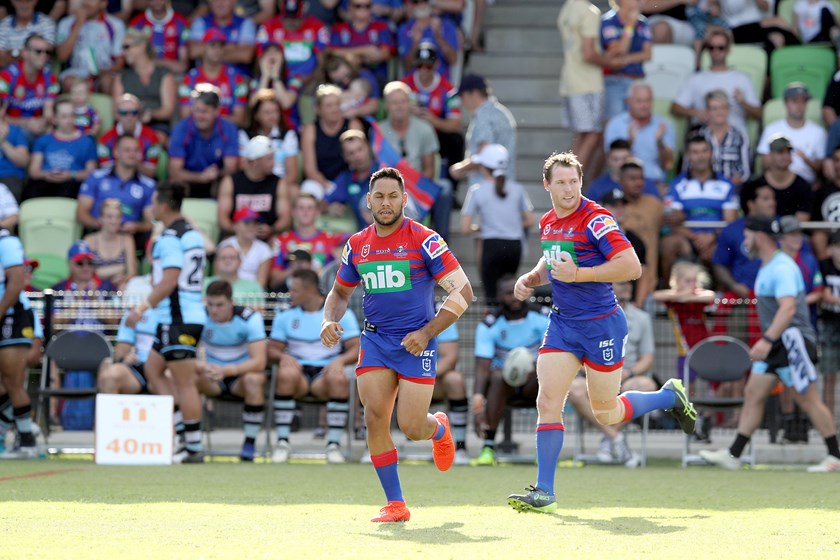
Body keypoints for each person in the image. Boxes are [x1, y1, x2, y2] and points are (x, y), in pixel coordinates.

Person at [506, 151, 696, 514]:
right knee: (548, 401)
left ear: (581, 182)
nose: (568, 189)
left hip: (602, 326)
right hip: (563, 325)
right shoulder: (548, 222)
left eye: (573, 182)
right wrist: (532, 277)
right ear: (547, 185)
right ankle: (544, 491)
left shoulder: (596, 218)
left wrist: (581, 275)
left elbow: (631, 266)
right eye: (560, 183)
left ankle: (669, 397)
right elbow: (553, 260)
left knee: (606, 412)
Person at [321, 167, 473, 522]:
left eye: (393, 196)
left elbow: (463, 292)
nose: (386, 203)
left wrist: (427, 333)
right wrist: (329, 319)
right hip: (374, 339)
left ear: (405, 200)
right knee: (374, 418)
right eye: (379, 196)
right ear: (368, 201)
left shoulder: (425, 240)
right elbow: (340, 291)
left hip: (415, 343)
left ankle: (437, 428)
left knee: (411, 426)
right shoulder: (356, 244)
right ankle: (396, 504)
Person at [700, 215, 840, 472]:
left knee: (808, 400)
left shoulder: (782, 268)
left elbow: (787, 309)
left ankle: (834, 456)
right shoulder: (769, 266)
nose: (744, 241)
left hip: (791, 342)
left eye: (747, 235)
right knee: (753, 394)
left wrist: (766, 340)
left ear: (759, 236)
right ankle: (733, 456)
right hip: (778, 345)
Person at [125, 183, 208, 463]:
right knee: (153, 367)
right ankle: (183, 432)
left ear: (163, 205)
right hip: (182, 316)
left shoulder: (169, 238)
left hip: (178, 318)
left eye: (153, 202)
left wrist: (141, 308)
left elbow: (169, 281)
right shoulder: (192, 234)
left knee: (185, 383)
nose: (150, 207)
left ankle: (193, 447)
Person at [269, 268, 360, 464]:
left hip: (325, 374)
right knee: (285, 373)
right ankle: (282, 442)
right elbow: (272, 349)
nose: (290, 294)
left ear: (310, 290)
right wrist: (282, 357)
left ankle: (333, 445)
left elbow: (356, 347)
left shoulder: (340, 313)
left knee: (339, 377)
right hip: (298, 375)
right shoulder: (285, 315)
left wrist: (341, 360)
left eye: (294, 290)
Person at [568, 279, 657, 465]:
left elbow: (647, 358)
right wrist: (596, 373)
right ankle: (615, 438)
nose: (628, 287)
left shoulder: (641, 318)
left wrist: (629, 372)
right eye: (622, 283)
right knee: (574, 388)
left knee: (646, 386)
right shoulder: (588, 315)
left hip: (626, 377)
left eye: (630, 284)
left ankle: (609, 438)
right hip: (595, 375)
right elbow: (576, 355)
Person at [471, 276, 548, 466]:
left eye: (517, 291)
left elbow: (553, 356)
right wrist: (477, 401)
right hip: (504, 386)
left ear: (527, 292)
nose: (514, 297)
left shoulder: (543, 317)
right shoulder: (489, 325)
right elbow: (482, 367)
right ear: (499, 296)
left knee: (546, 376)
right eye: (508, 293)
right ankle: (488, 447)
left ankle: (545, 451)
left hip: (534, 383)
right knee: (496, 376)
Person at [195, 279, 267, 462]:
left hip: (239, 376)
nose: (214, 310)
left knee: (255, 380)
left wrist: (228, 370)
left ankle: (249, 444)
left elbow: (259, 361)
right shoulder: (198, 316)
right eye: (210, 304)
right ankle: (191, 444)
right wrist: (202, 366)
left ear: (231, 303)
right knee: (186, 377)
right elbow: (188, 354)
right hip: (211, 377)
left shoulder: (250, 318)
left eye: (220, 305)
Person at [459, 143, 535, 307]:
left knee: (492, 297)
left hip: (491, 246)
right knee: (509, 292)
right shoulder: (517, 189)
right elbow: (530, 221)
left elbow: (465, 228)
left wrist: (481, 228)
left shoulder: (477, 190)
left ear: (483, 167)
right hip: (515, 246)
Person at [660, 134, 739, 284]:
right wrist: (696, 238)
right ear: (688, 156)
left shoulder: (726, 185)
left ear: (711, 153)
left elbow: (730, 222)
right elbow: (671, 222)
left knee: (724, 248)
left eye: (704, 151)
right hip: (687, 239)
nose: (700, 156)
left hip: (716, 239)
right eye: (695, 152)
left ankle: (722, 302)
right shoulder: (677, 184)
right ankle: (669, 296)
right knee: (668, 244)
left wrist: (711, 238)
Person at [670, 27, 761, 133]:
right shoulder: (695, 79)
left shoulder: (742, 79)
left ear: (728, 49)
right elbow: (675, 108)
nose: (715, 51)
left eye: (720, 48)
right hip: (703, 139)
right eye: (711, 48)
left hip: (735, 137)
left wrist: (743, 103)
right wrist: (696, 113)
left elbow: (758, 113)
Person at [0, 226, 38, 457]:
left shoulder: (7, 242)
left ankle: (27, 441)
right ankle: (9, 432)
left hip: (12, 315)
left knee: (13, 381)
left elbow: (15, 284)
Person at [168, 85, 240, 200]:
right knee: (176, 183)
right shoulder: (181, 129)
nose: (199, 116)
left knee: (228, 181)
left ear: (217, 110)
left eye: (205, 111)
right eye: (196, 110)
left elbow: (231, 168)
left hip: (216, 180)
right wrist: (201, 177)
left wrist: (216, 174)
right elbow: (175, 172)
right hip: (189, 180)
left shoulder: (229, 129)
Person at [557, 0, 604, 176]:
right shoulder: (589, 11)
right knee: (592, 134)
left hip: (570, 80)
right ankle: (569, 181)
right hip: (587, 82)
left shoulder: (568, 8)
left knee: (582, 134)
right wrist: (612, 61)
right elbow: (589, 53)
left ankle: (564, 178)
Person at [603, 81, 675, 190]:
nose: (644, 105)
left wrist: (660, 143)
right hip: (621, 183)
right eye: (639, 101)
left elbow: (668, 164)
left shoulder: (664, 125)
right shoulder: (615, 124)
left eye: (648, 100)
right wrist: (629, 142)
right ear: (628, 101)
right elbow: (612, 162)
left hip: (654, 182)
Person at [449, 74, 517, 190]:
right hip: (503, 187)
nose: (461, 101)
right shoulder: (501, 112)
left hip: (486, 189)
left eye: (463, 95)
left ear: (474, 93)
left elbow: (484, 156)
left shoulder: (483, 116)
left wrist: (459, 168)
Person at [78, 134, 156, 234]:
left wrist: (137, 227)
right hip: (98, 232)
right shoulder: (96, 177)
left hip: (130, 235)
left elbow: (151, 222)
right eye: (127, 150)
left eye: (136, 150)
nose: (132, 154)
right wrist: (104, 225)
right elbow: (81, 214)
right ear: (116, 152)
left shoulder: (148, 185)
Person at [300, 84, 364, 199]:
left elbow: (361, 159)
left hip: (349, 180)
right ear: (318, 109)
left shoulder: (353, 125)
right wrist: (330, 188)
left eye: (337, 104)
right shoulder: (310, 130)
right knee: (308, 192)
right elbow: (310, 168)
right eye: (329, 106)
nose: (334, 109)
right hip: (319, 181)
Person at [220, 134, 289, 241]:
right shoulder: (230, 182)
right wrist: (241, 231)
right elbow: (222, 218)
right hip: (237, 237)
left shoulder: (279, 183)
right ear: (254, 162)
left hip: (267, 238)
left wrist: (272, 229)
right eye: (269, 159)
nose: (273, 163)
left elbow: (285, 218)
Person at [26, 99, 98, 200]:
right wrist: (47, 174)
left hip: (73, 184)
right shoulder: (43, 140)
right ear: (55, 119)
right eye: (64, 116)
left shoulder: (87, 142)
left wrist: (71, 175)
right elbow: (33, 171)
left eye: (71, 115)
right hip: (45, 182)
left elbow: (92, 173)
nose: (69, 120)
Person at [271, 192, 344, 290]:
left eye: (310, 208)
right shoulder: (281, 241)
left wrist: (316, 270)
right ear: (294, 212)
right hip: (289, 297)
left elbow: (341, 277)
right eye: (301, 208)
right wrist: (295, 269)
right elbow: (273, 282)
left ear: (317, 212)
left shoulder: (332, 240)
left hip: (322, 296)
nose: (305, 212)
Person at [112, 27, 177, 136]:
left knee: (156, 138)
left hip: (156, 125)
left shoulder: (164, 74)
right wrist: (133, 117)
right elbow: (115, 112)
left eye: (127, 47)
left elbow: (168, 110)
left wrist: (150, 114)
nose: (124, 52)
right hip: (128, 126)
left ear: (142, 46)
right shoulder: (121, 77)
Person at [757, 83, 826, 186]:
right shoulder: (772, 129)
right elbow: (765, 163)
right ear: (786, 103)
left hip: (807, 184)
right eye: (795, 101)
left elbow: (822, 168)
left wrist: (806, 160)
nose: (799, 105)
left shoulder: (819, 132)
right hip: (777, 183)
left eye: (803, 101)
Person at [237, 90, 299, 203]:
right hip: (253, 182)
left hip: (281, 183)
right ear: (256, 115)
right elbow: (243, 167)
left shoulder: (288, 135)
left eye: (275, 111)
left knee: (294, 191)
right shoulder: (245, 135)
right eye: (267, 112)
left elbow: (292, 174)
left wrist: (276, 187)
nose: (272, 116)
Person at [179, 29, 249, 128]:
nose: (217, 50)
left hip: (227, 133)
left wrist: (208, 119)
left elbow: (240, 119)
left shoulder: (237, 80)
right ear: (203, 48)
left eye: (220, 46)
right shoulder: (189, 80)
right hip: (196, 134)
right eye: (212, 45)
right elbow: (185, 117)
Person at [56, 0, 126, 94]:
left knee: (108, 81)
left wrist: (106, 71)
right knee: (69, 82)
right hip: (76, 72)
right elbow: (62, 56)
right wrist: (78, 24)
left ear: (103, 3)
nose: (86, 3)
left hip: (105, 72)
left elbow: (120, 61)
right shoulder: (67, 22)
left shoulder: (116, 24)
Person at [599, 0, 653, 120]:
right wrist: (629, 26)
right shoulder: (608, 21)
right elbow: (619, 50)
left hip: (636, 81)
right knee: (614, 125)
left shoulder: (643, 22)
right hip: (614, 81)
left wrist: (626, 58)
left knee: (635, 125)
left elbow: (647, 55)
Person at [255, 0, 328, 89]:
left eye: (295, 18)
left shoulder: (317, 26)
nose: (290, 22)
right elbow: (259, 58)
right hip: (277, 81)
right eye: (287, 17)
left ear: (303, 14)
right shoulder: (268, 27)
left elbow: (322, 59)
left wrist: (311, 78)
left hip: (309, 81)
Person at [0, 33, 58, 143]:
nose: (44, 55)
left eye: (47, 52)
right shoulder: (7, 77)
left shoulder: (50, 77)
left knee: (51, 133)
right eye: (38, 51)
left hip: (37, 128)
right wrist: (26, 123)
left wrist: (43, 123)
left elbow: (48, 113)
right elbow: (1, 116)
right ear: (24, 53)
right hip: (11, 128)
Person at [743, 134, 813, 222]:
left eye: (788, 152)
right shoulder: (755, 185)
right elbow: (750, 215)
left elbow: (802, 220)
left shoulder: (803, 186)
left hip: (791, 234)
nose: (785, 156)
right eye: (780, 152)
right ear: (770, 155)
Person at [329, 0, 395, 85]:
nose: (363, 9)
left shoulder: (381, 27)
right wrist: (366, 50)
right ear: (349, 7)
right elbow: (332, 52)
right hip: (345, 78)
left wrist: (351, 56)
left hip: (376, 76)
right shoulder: (339, 28)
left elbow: (384, 54)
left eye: (367, 6)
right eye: (358, 6)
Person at [431, 319, 470, 465]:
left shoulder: (441, 314)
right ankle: (372, 448)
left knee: (455, 380)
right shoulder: (392, 310)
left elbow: (450, 357)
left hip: (430, 378)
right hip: (400, 379)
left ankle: (460, 448)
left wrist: (421, 377)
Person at [695, 89, 751, 186]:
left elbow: (745, 172)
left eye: (723, 108)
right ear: (707, 111)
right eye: (714, 109)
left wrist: (727, 185)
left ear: (728, 110)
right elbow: (688, 168)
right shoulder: (698, 135)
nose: (719, 112)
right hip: (701, 189)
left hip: (731, 191)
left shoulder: (739, 136)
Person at [188, 0, 257, 78]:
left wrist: (209, 51)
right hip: (204, 80)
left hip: (239, 80)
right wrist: (232, 47)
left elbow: (246, 56)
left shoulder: (246, 23)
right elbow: (193, 51)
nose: (220, 3)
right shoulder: (200, 22)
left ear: (234, 1)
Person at [397, 0, 460, 81]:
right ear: (411, 5)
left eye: (425, 1)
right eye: (416, 2)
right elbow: (407, 66)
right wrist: (415, 43)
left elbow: (453, 60)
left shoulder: (446, 25)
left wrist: (438, 36)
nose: (421, 4)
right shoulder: (404, 29)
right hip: (413, 84)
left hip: (440, 83)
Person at [83, 198, 138, 291]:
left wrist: (122, 279)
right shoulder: (90, 240)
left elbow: (132, 272)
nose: (114, 221)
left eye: (118, 217)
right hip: (96, 288)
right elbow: (86, 273)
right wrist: (119, 269)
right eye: (109, 217)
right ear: (100, 219)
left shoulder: (127, 239)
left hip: (120, 287)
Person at [128, 0, 191, 74]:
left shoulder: (182, 22)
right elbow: (132, 62)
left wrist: (154, 63)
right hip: (144, 75)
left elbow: (183, 66)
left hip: (175, 76)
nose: (156, 1)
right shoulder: (136, 23)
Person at [586, 139, 660, 202]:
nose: (620, 164)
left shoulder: (647, 184)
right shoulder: (597, 186)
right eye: (615, 159)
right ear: (608, 160)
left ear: (632, 158)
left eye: (625, 159)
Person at [220, 208, 273, 288]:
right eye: (247, 223)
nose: (251, 227)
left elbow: (261, 283)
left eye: (255, 223)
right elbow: (219, 276)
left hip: (252, 293)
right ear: (235, 225)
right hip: (227, 290)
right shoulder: (224, 245)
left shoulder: (264, 249)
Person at [818, 230, 840, 416]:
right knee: (829, 377)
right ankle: (828, 420)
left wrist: (833, 298)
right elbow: (822, 294)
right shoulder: (824, 266)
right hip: (830, 325)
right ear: (830, 249)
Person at [204, 242, 264, 307]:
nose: (227, 261)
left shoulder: (253, 287)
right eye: (223, 258)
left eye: (232, 258)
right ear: (216, 262)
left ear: (240, 262)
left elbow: (260, 311)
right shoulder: (204, 283)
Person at [0, 0, 56, 68]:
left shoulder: (47, 23)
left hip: (41, 73)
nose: (24, 5)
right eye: (19, 1)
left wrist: (13, 53)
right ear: (12, 1)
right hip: (10, 74)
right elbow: (2, 59)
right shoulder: (3, 25)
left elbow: (46, 52)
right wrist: (33, 52)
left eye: (28, 1)